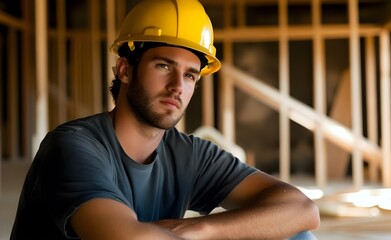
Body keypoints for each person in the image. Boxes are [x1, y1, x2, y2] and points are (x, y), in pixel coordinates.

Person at [11, 0, 320, 239]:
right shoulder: (74, 146)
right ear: (125, 70)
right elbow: (123, 238)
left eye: (189, 75)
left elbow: (302, 210)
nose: (177, 86)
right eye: (163, 66)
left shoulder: (189, 154)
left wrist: (200, 230)